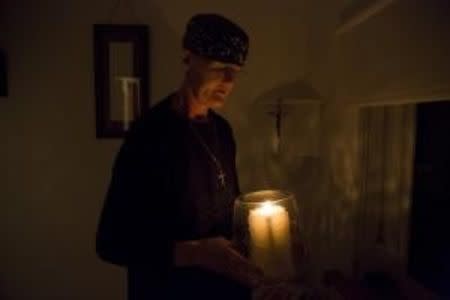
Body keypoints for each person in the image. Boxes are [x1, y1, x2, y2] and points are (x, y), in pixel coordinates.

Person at [96, 13, 264, 300]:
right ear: (188, 57)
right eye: (221, 67)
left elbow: (230, 213)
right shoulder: (149, 134)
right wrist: (198, 253)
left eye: (236, 70)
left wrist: (267, 242)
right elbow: (112, 242)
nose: (230, 80)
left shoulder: (222, 132)